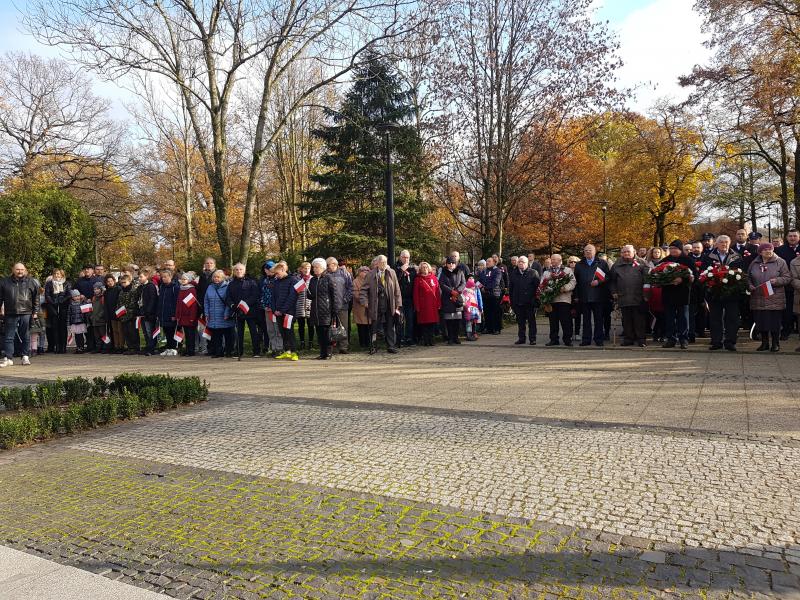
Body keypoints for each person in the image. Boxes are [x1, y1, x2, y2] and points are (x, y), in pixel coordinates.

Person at [702, 235, 743, 351]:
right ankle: (716, 342)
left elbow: (741, 273)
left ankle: (730, 342)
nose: (724, 244)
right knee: (715, 318)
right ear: (716, 244)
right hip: (714, 292)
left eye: (726, 242)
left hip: (731, 292)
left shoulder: (737, 257)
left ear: (729, 243)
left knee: (732, 318)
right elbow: (703, 273)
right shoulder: (708, 257)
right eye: (721, 242)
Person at [749, 243, 791, 352]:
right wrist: (750, 285)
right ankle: (764, 343)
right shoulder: (754, 263)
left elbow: (787, 278)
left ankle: (775, 344)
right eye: (765, 250)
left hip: (775, 296)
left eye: (770, 249)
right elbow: (748, 277)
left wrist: (776, 281)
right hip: (758, 297)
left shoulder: (780, 262)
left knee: (774, 322)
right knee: (761, 321)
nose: (768, 251)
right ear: (760, 252)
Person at [659, 240, 697, 349]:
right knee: (669, 317)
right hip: (668, 293)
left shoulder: (688, 260)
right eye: (671, 249)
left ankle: (683, 339)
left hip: (683, 293)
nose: (672, 251)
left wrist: (682, 279)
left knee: (683, 318)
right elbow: (658, 273)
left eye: (675, 249)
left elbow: (694, 276)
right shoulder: (665, 260)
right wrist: (666, 279)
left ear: (680, 249)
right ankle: (671, 339)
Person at [0, 263, 40, 367]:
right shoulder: (4, 282)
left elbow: (36, 298)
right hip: (10, 312)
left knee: (25, 335)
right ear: (13, 269)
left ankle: (25, 357)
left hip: (26, 312)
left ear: (25, 270)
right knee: (9, 336)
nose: (20, 271)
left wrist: (35, 312)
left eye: (22, 269)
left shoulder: (31, 282)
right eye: (17, 269)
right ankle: (8, 358)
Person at [361, 255, 402, 354]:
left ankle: (391, 346)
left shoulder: (391, 272)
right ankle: (373, 347)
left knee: (390, 326)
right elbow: (363, 289)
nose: (384, 264)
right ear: (377, 263)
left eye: (385, 262)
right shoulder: (371, 274)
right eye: (382, 262)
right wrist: (365, 301)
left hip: (389, 303)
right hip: (376, 304)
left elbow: (397, 289)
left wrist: (398, 303)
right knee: (374, 327)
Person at [609, 245, 648, 347]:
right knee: (626, 320)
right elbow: (612, 280)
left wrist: (646, 294)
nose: (626, 253)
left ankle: (641, 339)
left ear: (634, 252)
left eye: (628, 252)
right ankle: (628, 339)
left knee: (639, 320)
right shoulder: (617, 264)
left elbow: (647, 279)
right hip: (623, 296)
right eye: (624, 252)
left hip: (638, 296)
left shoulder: (642, 263)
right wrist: (614, 292)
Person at [574, 244, 611, 347]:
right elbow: (575, 281)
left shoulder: (602, 263)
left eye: (590, 250)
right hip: (584, 296)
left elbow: (608, 277)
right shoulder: (579, 264)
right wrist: (576, 296)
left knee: (598, 319)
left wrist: (598, 282)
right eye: (586, 250)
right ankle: (586, 340)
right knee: (586, 320)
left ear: (595, 251)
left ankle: (599, 339)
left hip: (598, 296)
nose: (588, 252)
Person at [227, 262, 263, 358]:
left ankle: (256, 351)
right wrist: (232, 305)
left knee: (253, 332)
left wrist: (244, 304)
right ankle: (239, 351)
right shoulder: (231, 284)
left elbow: (255, 295)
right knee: (239, 333)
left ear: (244, 270)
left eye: (241, 269)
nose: (239, 271)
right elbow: (228, 297)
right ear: (234, 272)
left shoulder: (251, 282)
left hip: (250, 310)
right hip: (237, 311)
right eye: (236, 270)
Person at [308, 257, 339, 360]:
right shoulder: (312, 280)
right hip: (315, 310)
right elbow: (312, 295)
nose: (315, 269)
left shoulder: (328, 278)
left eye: (317, 267)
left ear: (323, 267)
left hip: (326, 309)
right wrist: (307, 293)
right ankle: (322, 353)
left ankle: (328, 353)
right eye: (314, 267)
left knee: (326, 332)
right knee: (319, 332)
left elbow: (334, 294)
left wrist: (334, 309)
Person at [541, 254, 576, 346]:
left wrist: (564, 288)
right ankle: (554, 339)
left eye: (554, 259)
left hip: (564, 299)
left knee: (566, 321)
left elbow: (573, 282)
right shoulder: (546, 272)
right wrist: (546, 290)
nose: (552, 261)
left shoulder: (567, 270)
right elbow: (542, 284)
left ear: (560, 260)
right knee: (553, 321)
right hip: (551, 300)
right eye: (551, 259)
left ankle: (567, 339)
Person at [271, 261, 300, 361]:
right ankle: (287, 351)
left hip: (288, 312)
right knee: (282, 332)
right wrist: (275, 310)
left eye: (277, 273)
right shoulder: (275, 282)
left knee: (289, 331)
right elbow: (273, 297)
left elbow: (292, 297)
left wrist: (283, 310)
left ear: (283, 270)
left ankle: (294, 352)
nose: (276, 275)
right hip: (278, 312)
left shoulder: (293, 280)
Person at [509, 255, 540, 345]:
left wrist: (536, 300)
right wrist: (512, 302)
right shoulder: (514, 273)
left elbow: (538, 288)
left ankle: (532, 339)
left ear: (527, 263)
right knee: (520, 322)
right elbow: (511, 289)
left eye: (523, 262)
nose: (521, 264)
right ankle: (521, 338)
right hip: (518, 302)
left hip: (530, 302)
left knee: (531, 322)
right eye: (519, 262)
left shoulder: (533, 273)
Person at [776, 229, 800, 340]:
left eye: (795, 236)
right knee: (788, 310)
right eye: (790, 236)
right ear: (786, 237)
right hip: (787, 285)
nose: (792, 238)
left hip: (799, 285)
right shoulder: (780, 250)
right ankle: (786, 330)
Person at [204, 269, 234, 358]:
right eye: (214, 277)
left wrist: (226, 313)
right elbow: (206, 301)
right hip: (213, 315)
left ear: (222, 278)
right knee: (216, 335)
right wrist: (206, 313)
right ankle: (218, 352)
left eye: (218, 277)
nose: (216, 279)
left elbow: (229, 301)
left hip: (224, 315)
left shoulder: (228, 287)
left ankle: (229, 351)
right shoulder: (210, 287)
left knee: (228, 334)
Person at [327, 257, 353, 354]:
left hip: (343, 305)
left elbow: (350, 288)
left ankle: (343, 347)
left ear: (334, 264)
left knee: (343, 327)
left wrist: (345, 299)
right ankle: (332, 347)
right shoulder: (326, 274)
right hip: (330, 306)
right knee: (331, 327)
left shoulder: (345, 274)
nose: (327, 267)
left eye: (328, 265)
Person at [74, 265, 102, 352]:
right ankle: (89, 345)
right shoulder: (79, 281)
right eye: (85, 269)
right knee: (86, 325)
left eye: (88, 269)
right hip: (82, 306)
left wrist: (92, 297)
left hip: (94, 305)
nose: (86, 270)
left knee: (93, 325)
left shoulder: (97, 280)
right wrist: (80, 295)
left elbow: (101, 291)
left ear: (92, 270)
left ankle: (96, 345)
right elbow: (74, 290)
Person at [438, 256, 466, 345]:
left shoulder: (460, 272)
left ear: (456, 264)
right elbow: (441, 284)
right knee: (449, 320)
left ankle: (456, 337)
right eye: (449, 263)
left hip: (457, 298)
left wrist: (457, 292)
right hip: (447, 298)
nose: (451, 265)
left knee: (457, 320)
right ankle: (450, 338)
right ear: (446, 264)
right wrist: (451, 291)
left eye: (453, 263)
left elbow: (463, 283)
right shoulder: (443, 273)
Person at [412, 261, 441, 346]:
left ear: (429, 268)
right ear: (420, 269)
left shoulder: (434, 278)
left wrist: (439, 303)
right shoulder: (418, 279)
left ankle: (431, 340)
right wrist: (417, 306)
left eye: (426, 267)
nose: (425, 269)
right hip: (423, 305)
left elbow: (437, 292)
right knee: (424, 324)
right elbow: (415, 294)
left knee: (432, 323)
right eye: (423, 267)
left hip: (432, 304)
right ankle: (426, 340)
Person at [44, 268, 71, 354]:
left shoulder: (66, 283)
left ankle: (63, 347)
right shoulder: (49, 284)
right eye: (55, 274)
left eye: (58, 274)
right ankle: (57, 346)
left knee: (63, 327)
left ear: (62, 275)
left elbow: (69, 294)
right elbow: (47, 295)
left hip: (63, 307)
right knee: (55, 328)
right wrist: (53, 302)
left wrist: (62, 300)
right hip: (53, 307)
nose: (56, 275)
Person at [260, 260, 283, 357]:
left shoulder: (278, 280)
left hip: (276, 309)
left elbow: (279, 295)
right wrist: (264, 305)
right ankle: (273, 348)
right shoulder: (265, 280)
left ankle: (280, 348)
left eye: (271, 269)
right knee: (270, 330)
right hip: (267, 309)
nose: (269, 271)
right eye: (268, 269)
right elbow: (263, 294)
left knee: (277, 329)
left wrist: (274, 307)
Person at [175, 272, 200, 356]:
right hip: (182, 316)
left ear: (189, 280)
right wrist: (178, 315)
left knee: (191, 334)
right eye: (182, 279)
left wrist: (192, 317)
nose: (183, 281)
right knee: (185, 334)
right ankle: (187, 349)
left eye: (185, 279)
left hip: (189, 316)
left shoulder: (191, 289)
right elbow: (179, 304)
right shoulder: (181, 289)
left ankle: (191, 350)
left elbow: (193, 305)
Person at [395, 250, 416, 346]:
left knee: (410, 319)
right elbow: (394, 281)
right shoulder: (396, 267)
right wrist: (401, 270)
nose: (406, 259)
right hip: (400, 298)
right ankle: (401, 339)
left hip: (410, 298)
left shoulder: (412, 268)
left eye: (408, 257)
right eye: (404, 257)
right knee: (400, 320)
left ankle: (409, 338)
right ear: (400, 257)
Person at [115, 273, 141, 355]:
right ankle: (130, 347)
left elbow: (133, 303)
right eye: (121, 283)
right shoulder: (121, 292)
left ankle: (135, 347)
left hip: (131, 315)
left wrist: (125, 309)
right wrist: (118, 310)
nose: (123, 284)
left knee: (132, 332)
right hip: (123, 315)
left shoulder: (133, 291)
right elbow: (119, 302)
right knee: (126, 332)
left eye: (124, 282)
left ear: (129, 281)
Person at [196, 257, 216, 354]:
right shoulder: (202, 276)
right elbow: (199, 290)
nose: (209, 265)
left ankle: (216, 346)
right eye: (207, 263)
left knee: (215, 327)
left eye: (211, 263)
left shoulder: (216, 274)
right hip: (203, 304)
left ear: (214, 265)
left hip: (214, 304)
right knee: (206, 327)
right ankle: (208, 347)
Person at [478, 256, 503, 335]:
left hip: (494, 294)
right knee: (487, 312)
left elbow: (496, 282)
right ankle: (488, 328)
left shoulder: (497, 271)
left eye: (489, 261)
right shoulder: (484, 271)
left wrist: (486, 288)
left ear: (494, 262)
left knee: (495, 312)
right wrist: (481, 286)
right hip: (485, 295)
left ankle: (496, 328)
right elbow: (479, 280)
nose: (487, 263)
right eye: (487, 261)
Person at [157, 269, 180, 353]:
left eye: (165, 277)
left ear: (170, 277)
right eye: (162, 277)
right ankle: (169, 347)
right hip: (163, 314)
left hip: (171, 314)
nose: (163, 278)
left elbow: (176, 302)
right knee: (166, 331)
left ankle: (174, 348)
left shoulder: (175, 287)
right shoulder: (162, 287)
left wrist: (174, 314)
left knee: (172, 331)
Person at [688, 241, 707, 342]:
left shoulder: (706, 258)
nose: (696, 249)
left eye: (698, 247)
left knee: (702, 311)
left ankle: (701, 330)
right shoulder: (688, 258)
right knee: (691, 312)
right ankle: (691, 332)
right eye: (694, 247)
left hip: (704, 287)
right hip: (692, 289)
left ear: (702, 248)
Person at [138, 268, 159, 355]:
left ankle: (152, 348)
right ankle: (148, 346)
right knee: (145, 331)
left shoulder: (151, 286)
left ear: (146, 277)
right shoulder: (141, 287)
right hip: (142, 313)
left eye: (141, 277)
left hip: (149, 313)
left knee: (150, 330)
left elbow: (152, 300)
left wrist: (148, 311)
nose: (139, 278)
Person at [295, 262, 314, 350]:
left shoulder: (313, 279)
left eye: (309, 268)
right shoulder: (297, 279)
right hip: (300, 304)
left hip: (310, 304)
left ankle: (311, 342)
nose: (307, 270)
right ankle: (302, 342)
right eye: (305, 268)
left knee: (311, 324)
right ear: (301, 269)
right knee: (301, 324)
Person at [103, 274, 124, 353]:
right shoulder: (106, 292)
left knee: (120, 330)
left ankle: (121, 346)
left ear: (114, 281)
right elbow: (105, 304)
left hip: (118, 313)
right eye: (108, 281)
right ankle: (116, 346)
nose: (110, 283)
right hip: (110, 313)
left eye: (111, 281)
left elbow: (120, 301)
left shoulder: (118, 289)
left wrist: (119, 312)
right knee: (114, 331)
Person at [352, 266, 371, 349]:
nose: (365, 273)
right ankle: (362, 343)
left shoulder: (370, 281)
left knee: (368, 325)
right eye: (363, 271)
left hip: (370, 306)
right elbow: (355, 294)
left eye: (367, 271)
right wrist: (364, 302)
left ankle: (369, 342)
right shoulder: (355, 281)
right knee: (361, 326)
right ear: (359, 273)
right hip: (360, 307)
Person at [89, 282, 109, 353]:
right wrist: (91, 316)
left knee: (103, 334)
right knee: (96, 335)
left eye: (97, 289)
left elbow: (104, 309)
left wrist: (99, 316)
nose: (96, 290)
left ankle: (105, 347)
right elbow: (92, 308)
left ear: (101, 289)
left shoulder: (103, 298)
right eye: (94, 289)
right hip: (94, 320)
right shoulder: (94, 298)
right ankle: (98, 347)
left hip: (101, 320)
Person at [67, 289, 88, 353]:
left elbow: (86, 314)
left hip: (81, 322)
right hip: (74, 322)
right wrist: (68, 324)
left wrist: (87, 322)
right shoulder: (71, 305)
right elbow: (69, 314)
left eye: (78, 296)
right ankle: (78, 347)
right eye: (75, 296)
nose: (77, 297)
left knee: (81, 336)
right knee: (76, 336)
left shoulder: (83, 303)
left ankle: (81, 347)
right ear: (72, 297)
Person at [462, 277, 483, 341]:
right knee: (468, 324)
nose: (474, 288)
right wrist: (468, 308)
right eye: (473, 286)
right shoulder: (467, 294)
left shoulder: (472, 293)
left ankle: (471, 334)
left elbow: (475, 302)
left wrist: (478, 309)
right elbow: (466, 303)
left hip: (473, 311)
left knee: (471, 324)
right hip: (469, 312)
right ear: (470, 287)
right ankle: (468, 335)